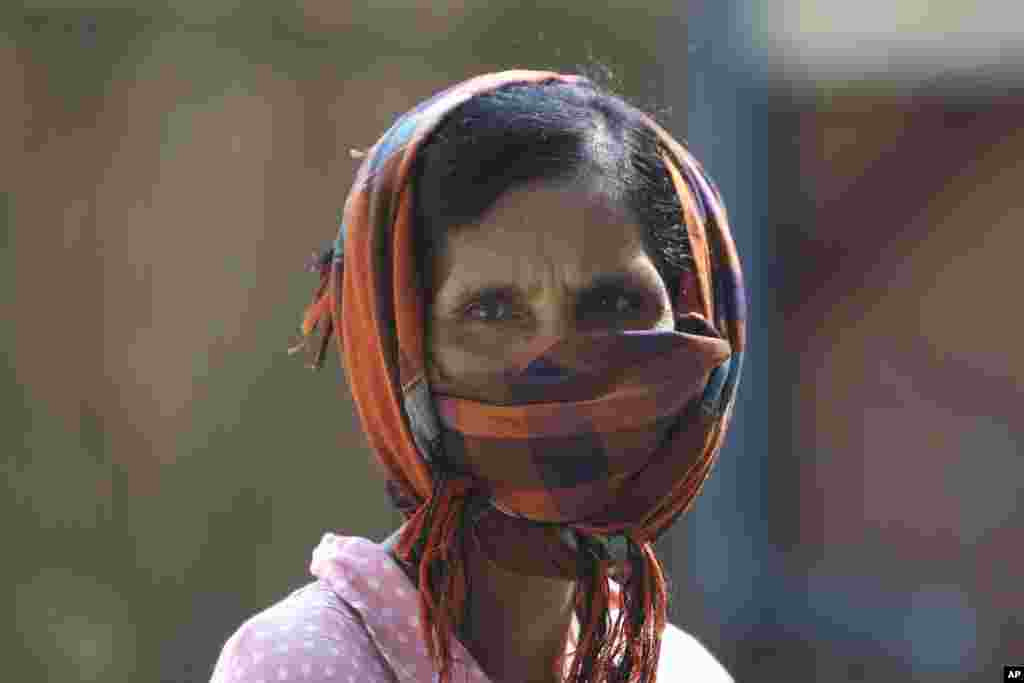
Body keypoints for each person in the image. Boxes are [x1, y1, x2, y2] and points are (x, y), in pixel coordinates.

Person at [210, 68, 744, 683]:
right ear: (401, 356)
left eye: (616, 305)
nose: (557, 364)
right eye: (491, 311)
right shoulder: (308, 666)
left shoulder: (678, 672)